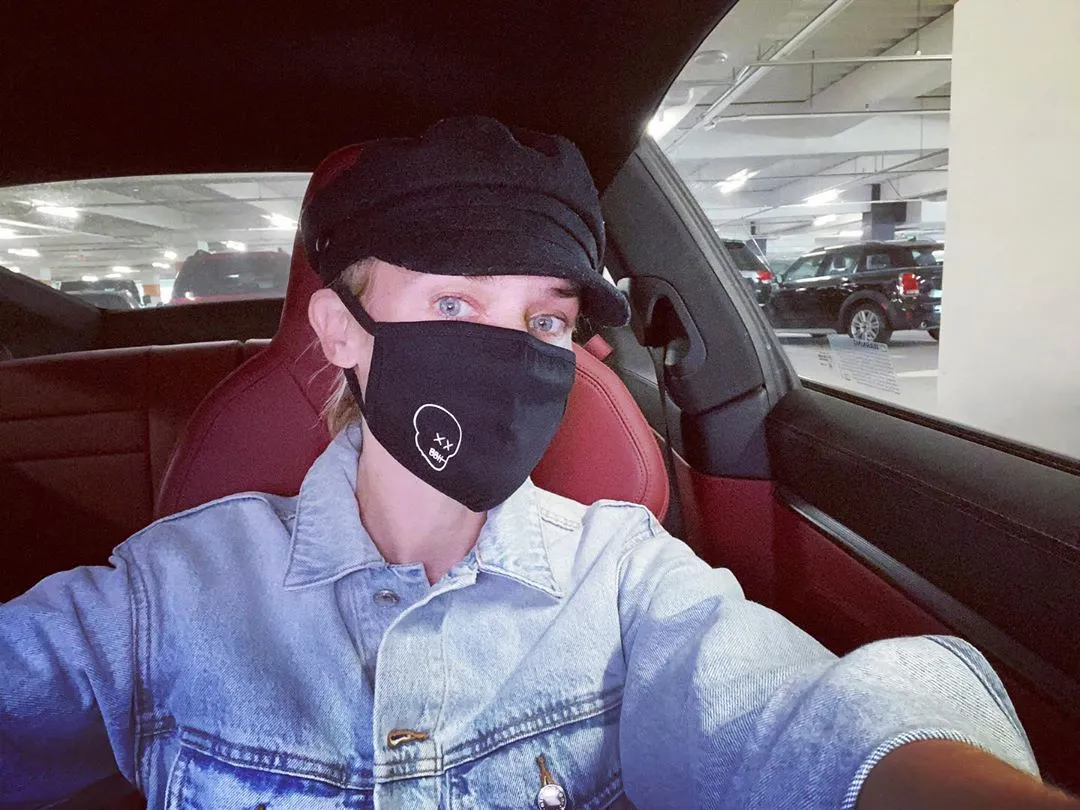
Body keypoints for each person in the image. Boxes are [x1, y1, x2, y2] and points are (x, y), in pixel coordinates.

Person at [0, 116, 1075, 810]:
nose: (507, 352)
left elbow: (807, 724)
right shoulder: (174, 591)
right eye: (453, 305)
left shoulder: (623, 575)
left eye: (544, 321)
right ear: (338, 330)